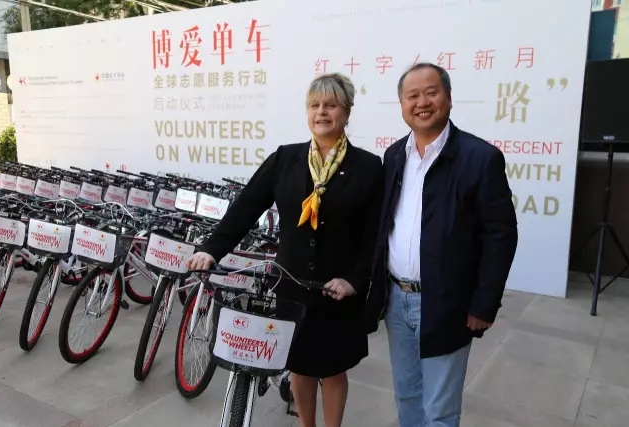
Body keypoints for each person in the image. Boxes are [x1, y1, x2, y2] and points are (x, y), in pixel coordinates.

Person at [187, 72, 383, 427]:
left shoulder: (368, 167)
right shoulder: (285, 159)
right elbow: (246, 207)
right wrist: (212, 250)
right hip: (291, 284)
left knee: (333, 369)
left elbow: (375, 236)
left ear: (347, 112)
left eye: (331, 105)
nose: (322, 112)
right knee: (300, 365)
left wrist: (355, 280)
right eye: (315, 105)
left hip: (339, 289)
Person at [365, 63, 518, 427]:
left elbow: (501, 235)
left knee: (440, 409)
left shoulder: (479, 158)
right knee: (407, 396)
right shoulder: (394, 156)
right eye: (412, 95)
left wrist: (484, 303)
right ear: (402, 105)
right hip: (397, 300)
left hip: (447, 302)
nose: (422, 102)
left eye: (431, 93)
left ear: (448, 98)